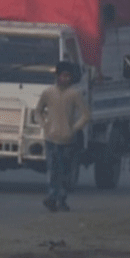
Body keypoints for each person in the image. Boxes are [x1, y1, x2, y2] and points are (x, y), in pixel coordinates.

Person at [36, 61, 90, 212]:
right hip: (51, 138)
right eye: (64, 75)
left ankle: (61, 198)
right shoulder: (48, 93)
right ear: (58, 76)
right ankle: (52, 197)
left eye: (69, 76)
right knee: (53, 170)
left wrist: (74, 129)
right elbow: (38, 111)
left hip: (68, 140)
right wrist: (44, 125)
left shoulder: (74, 94)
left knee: (65, 171)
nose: (66, 79)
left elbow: (86, 115)